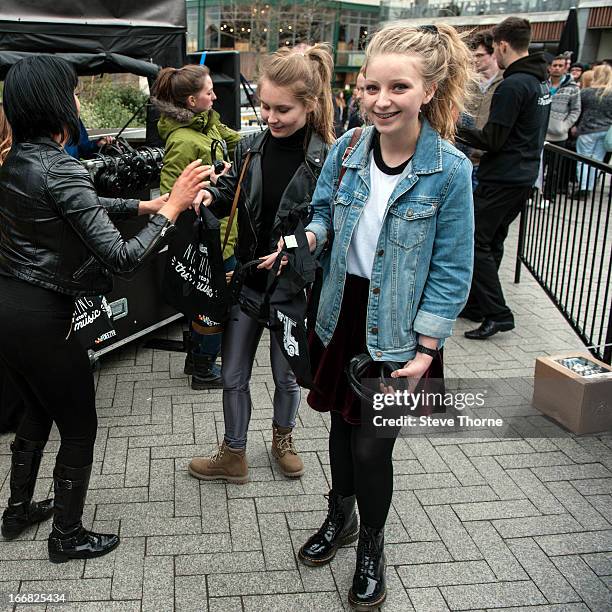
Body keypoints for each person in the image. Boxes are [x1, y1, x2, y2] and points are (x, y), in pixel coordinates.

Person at [0, 56, 210, 562]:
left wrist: (144, 207)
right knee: (79, 426)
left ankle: (17, 510)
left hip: (9, 309)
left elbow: (78, 206)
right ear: (53, 102)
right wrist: (174, 207)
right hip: (44, 317)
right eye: (71, 92)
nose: (76, 100)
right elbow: (122, 258)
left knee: (35, 408)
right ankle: (66, 536)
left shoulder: (16, 160)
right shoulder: (59, 167)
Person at [298, 23, 474, 609]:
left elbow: (451, 270)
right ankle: (339, 519)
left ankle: (371, 547)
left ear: (428, 90)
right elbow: (323, 209)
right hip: (338, 313)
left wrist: (426, 351)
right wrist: (313, 235)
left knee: (374, 446)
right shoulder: (348, 149)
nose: (381, 100)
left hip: (399, 330)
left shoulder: (450, 171)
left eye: (398, 87)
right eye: (371, 86)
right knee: (338, 429)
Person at [188, 45, 335, 484]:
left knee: (286, 375)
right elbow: (233, 183)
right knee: (232, 373)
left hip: (292, 286)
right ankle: (233, 453)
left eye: (283, 109)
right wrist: (211, 193)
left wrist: (294, 248)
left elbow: (328, 223)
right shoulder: (250, 147)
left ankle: (283, 438)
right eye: (265, 106)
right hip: (248, 279)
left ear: (309, 105)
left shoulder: (327, 157)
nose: (271, 116)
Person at [457, 17, 551, 339]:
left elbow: (494, 139)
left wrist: (455, 129)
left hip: (504, 176)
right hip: (522, 175)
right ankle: (480, 304)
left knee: (475, 242)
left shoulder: (514, 84)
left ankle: (498, 312)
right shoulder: (539, 81)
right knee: (492, 241)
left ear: (502, 45)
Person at [152, 64, 241, 389]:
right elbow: (171, 193)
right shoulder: (182, 140)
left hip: (224, 233)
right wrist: (210, 184)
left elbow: (242, 142)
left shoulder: (209, 127)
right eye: (208, 91)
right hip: (209, 239)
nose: (215, 95)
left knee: (209, 300)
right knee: (213, 304)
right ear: (191, 101)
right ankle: (204, 369)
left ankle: (197, 359)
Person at [467, 30, 504, 189]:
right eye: (473, 55)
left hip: (491, 161)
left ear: (493, 54)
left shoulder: (506, 83)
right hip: (467, 157)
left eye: (480, 55)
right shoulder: (468, 83)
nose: (475, 60)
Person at [542, 54, 581, 202]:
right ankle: (532, 194)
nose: (557, 68)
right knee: (538, 168)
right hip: (542, 133)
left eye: (560, 66)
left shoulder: (572, 88)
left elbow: (576, 110)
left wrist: (565, 125)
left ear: (565, 68)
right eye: (554, 65)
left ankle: (548, 196)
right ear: (549, 67)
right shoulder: (543, 83)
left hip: (559, 135)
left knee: (554, 170)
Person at [572, 64, 612, 197]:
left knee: (583, 159)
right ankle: (589, 186)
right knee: (597, 160)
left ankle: (583, 187)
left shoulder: (586, 92)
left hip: (586, 130)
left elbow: (578, 111)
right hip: (605, 130)